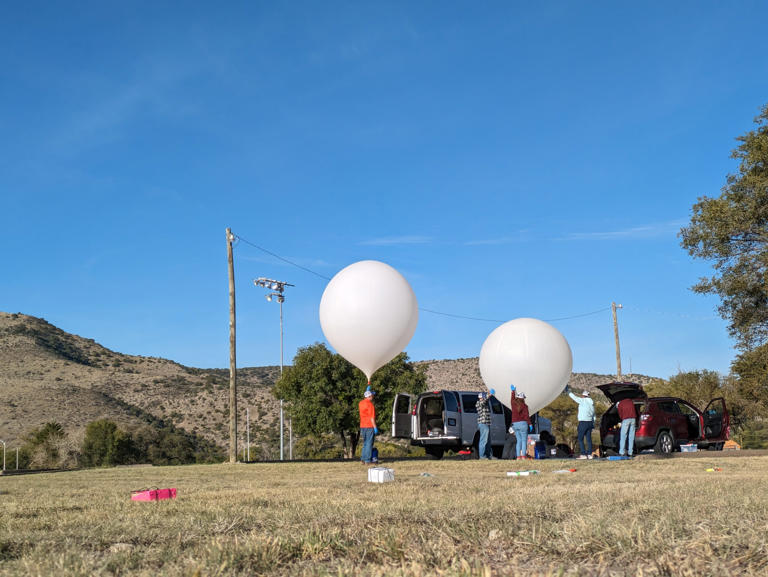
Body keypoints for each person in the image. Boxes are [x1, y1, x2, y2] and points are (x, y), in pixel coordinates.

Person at [566, 385, 596, 459]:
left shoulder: (583, 401)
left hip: (583, 422)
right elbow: (594, 416)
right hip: (590, 423)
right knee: (588, 439)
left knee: (580, 438)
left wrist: (568, 391)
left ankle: (583, 454)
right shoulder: (592, 404)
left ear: (583, 396)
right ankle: (589, 454)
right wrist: (593, 423)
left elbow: (574, 397)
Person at [510, 390, 531, 459]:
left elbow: (512, 399)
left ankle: (518, 456)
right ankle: (523, 456)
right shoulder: (525, 406)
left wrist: (513, 391)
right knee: (524, 440)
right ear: (523, 399)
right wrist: (530, 424)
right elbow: (526, 416)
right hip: (523, 424)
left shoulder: (513, 404)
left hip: (515, 424)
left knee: (518, 441)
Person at [359, 389, 378, 464]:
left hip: (362, 426)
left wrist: (367, 390)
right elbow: (372, 417)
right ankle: (367, 460)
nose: (373, 396)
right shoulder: (370, 405)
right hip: (369, 425)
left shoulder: (361, 403)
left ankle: (363, 459)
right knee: (369, 443)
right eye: (372, 395)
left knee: (365, 443)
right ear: (369, 396)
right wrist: (375, 427)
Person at [476, 391, 493, 459]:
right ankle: (482, 456)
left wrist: (488, 396)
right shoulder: (479, 403)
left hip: (486, 423)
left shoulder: (483, 402)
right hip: (483, 423)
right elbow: (483, 402)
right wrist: (489, 395)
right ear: (482, 397)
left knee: (488, 441)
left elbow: (485, 401)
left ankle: (488, 455)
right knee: (483, 440)